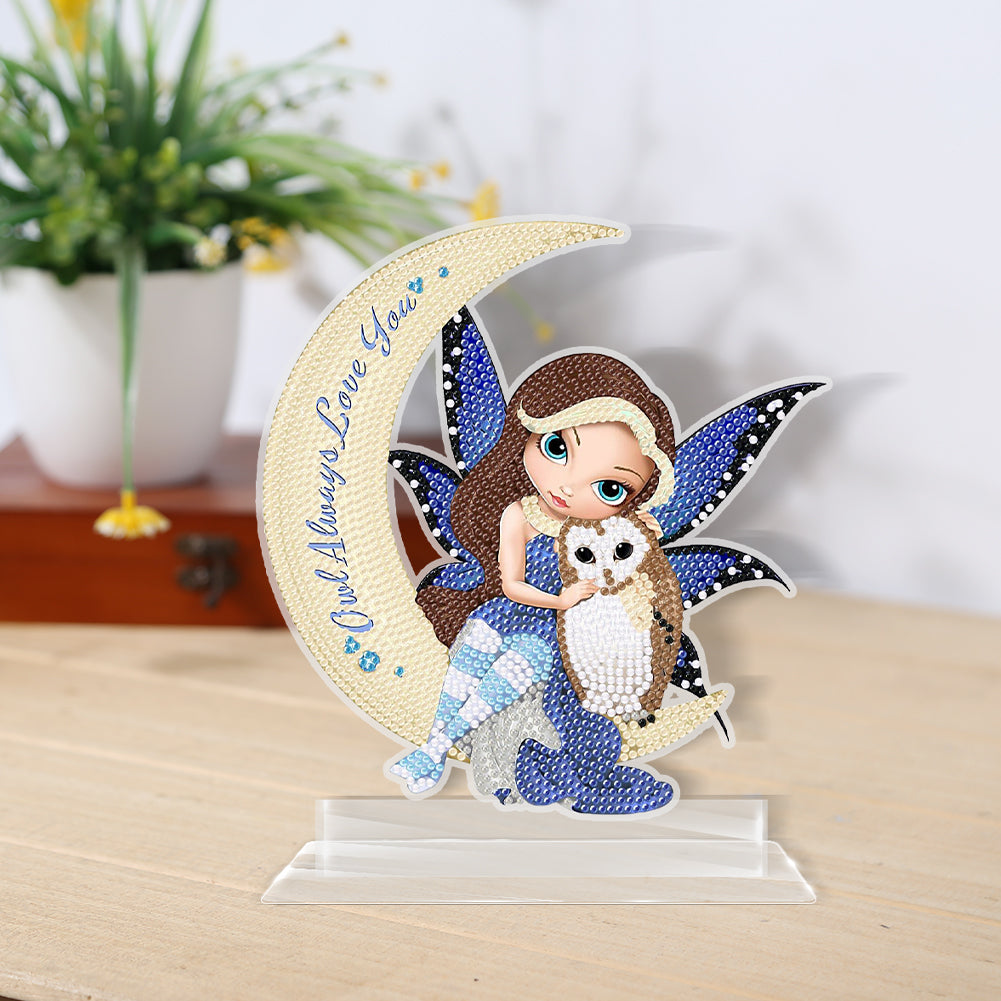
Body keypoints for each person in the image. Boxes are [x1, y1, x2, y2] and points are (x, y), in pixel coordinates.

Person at [389, 351, 680, 813]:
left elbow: (632, 585)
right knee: (467, 665)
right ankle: (432, 747)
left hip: (553, 636)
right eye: (558, 448)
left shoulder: (604, 530)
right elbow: (512, 584)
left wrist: (638, 537)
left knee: (510, 673)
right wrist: (560, 598)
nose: (566, 487)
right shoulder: (519, 514)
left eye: (609, 487)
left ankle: (434, 751)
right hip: (507, 612)